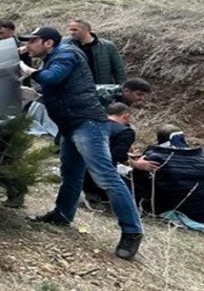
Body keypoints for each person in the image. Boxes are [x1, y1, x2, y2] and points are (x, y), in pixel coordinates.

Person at [18, 26, 143, 260]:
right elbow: (64, 91)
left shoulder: (66, 54)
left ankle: (132, 231)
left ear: (48, 43)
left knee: (105, 176)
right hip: (71, 124)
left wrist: (28, 70)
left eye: (33, 41)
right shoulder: (56, 57)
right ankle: (62, 214)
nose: (29, 45)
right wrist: (36, 95)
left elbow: (52, 79)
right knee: (71, 173)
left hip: (87, 124)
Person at [82, 102, 136, 205]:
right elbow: (117, 157)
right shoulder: (125, 132)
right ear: (126, 115)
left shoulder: (90, 123)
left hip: (77, 172)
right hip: (97, 178)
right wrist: (134, 163)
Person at [64, 19, 126, 84]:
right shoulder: (66, 45)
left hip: (102, 88)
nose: (72, 33)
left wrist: (122, 89)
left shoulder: (107, 46)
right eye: (70, 30)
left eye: (75, 30)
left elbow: (119, 71)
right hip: (77, 90)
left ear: (86, 29)